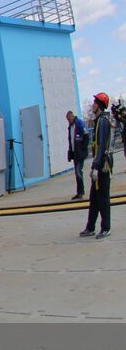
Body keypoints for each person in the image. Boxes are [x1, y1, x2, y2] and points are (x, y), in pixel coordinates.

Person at [81, 92, 114, 240]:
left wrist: (95, 166)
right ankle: (90, 227)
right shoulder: (99, 120)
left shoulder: (103, 121)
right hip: (99, 164)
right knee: (94, 197)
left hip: (102, 166)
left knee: (103, 198)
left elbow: (101, 146)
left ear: (99, 105)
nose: (92, 105)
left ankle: (106, 228)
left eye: (94, 103)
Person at [67, 109, 90, 200]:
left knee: (78, 171)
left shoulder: (79, 123)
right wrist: (70, 153)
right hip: (75, 153)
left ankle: (81, 192)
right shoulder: (70, 127)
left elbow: (86, 135)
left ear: (72, 116)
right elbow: (71, 141)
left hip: (80, 152)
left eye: (69, 119)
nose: (68, 121)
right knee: (77, 172)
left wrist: (83, 148)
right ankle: (79, 192)